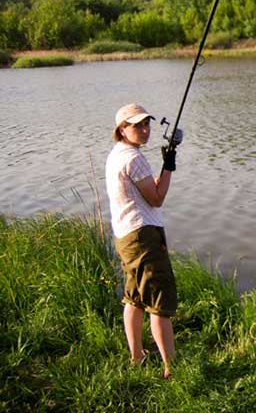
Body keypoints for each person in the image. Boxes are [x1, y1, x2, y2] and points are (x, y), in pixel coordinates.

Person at [105, 103, 178, 379]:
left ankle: (137, 356)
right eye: (137, 126)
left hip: (125, 236)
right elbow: (157, 198)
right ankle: (172, 368)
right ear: (122, 130)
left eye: (146, 124)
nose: (145, 130)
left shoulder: (116, 155)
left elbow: (146, 191)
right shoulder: (134, 159)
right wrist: (169, 165)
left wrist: (164, 166)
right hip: (143, 237)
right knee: (159, 301)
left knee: (134, 298)